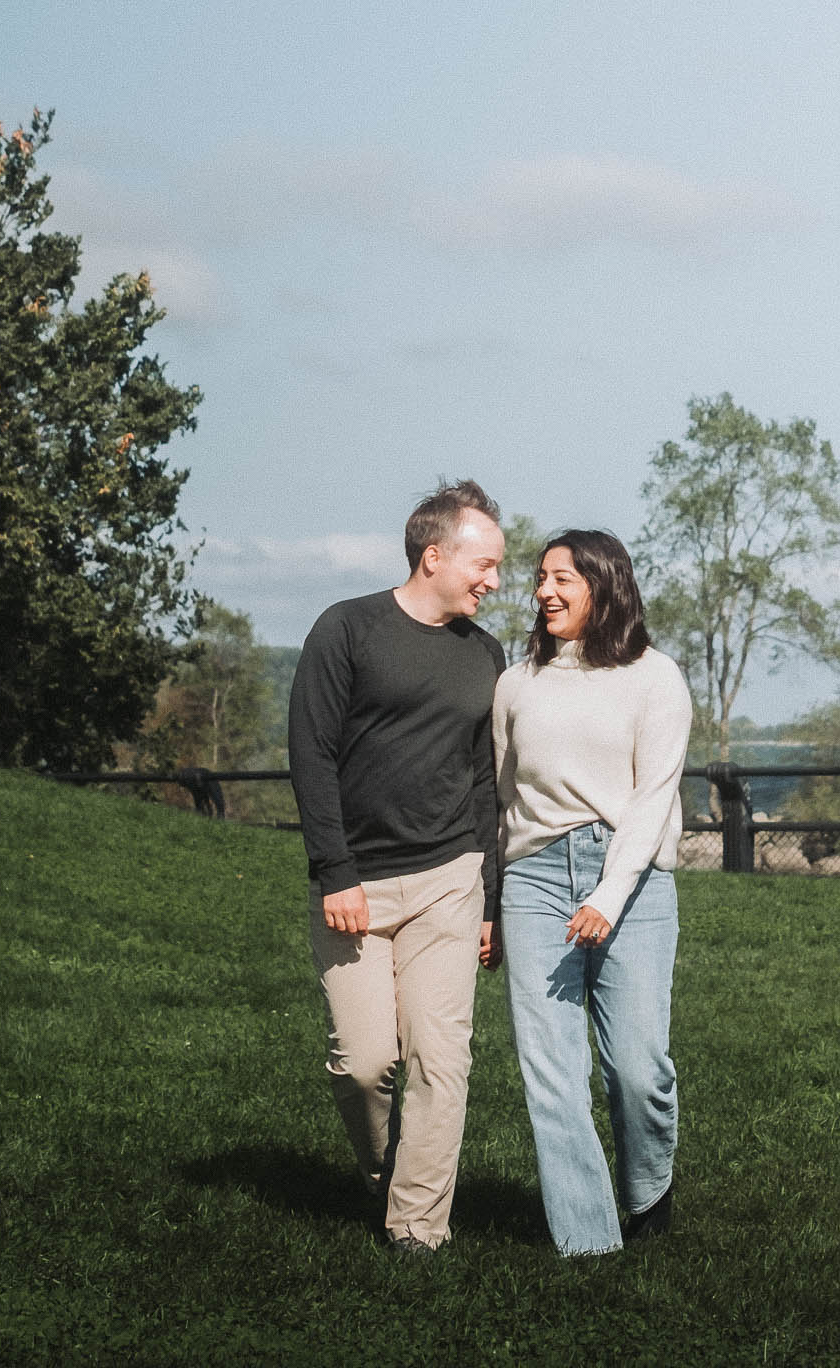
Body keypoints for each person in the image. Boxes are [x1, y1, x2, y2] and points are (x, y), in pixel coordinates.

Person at [287, 479, 506, 1253]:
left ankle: (418, 1227)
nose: (495, 580)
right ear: (434, 554)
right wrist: (335, 870)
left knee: (442, 1062)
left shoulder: (486, 654)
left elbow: (485, 780)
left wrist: (490, 900)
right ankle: (388, 1177)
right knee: (365, 1063)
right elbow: (310, 756)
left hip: (451, 875)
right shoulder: (346, 629)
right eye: (484, 564)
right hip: (357, 885)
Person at [493, 529, 692, 1256]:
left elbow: (651, 800)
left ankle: (646, 1191)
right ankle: (589, 1245)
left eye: (562, 579)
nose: (545, 591)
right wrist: (494, 903)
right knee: (551, 1073)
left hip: (631, 881)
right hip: (535, 877)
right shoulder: (516, 684)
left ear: (604, 587)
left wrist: (607, 896)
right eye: (541, 578)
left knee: (638, 1068)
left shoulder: (655, 678)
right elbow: (504, 794)